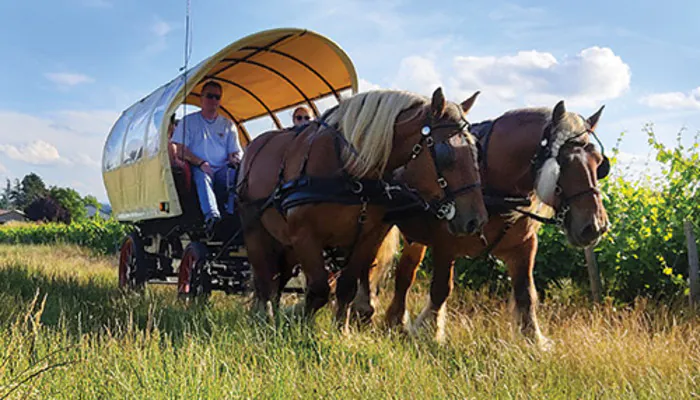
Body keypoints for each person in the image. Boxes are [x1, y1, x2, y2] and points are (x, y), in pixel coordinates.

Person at [171, 81, 241, 235]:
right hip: (198, 166)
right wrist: (201, 162)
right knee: (203, 177)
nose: (214, 101)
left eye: (217, 97)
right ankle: (212, 218)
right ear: (201, 99)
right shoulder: (189, 122)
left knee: (236, 177)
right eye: (210, 96)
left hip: (222, 168)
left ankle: (233, 216)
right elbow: (180, 149)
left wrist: (234, 159)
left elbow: (233, 152)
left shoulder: (227, 124)